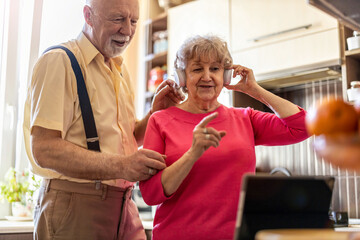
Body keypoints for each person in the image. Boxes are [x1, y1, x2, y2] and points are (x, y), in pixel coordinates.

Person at [23, 0, 183, 239]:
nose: (128, 31)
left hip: (123, 206)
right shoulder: (59, 61)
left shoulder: (119, 67)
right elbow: (44, 149)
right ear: (88, 16)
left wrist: (155, 113)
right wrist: (123, 165)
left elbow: (127, 137)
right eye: (118, 19)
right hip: (75, 204)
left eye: (134, 21)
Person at [139, 35, 310, 240]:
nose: (207, 76)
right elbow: (150, 194)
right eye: (197, 69)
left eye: (215, 69)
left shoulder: (245, 118)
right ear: (182, 76)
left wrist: (255, 90)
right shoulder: (160, 121)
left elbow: (304, 126)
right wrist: (192, 154)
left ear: (226, 76)